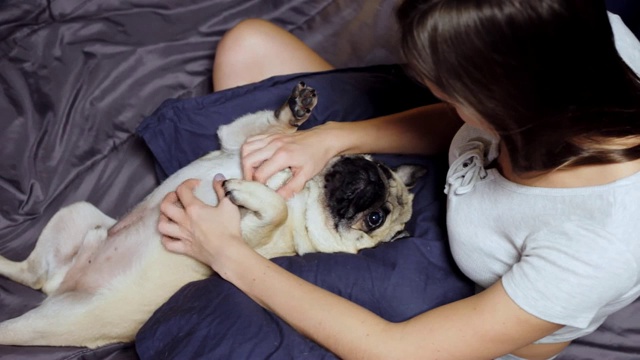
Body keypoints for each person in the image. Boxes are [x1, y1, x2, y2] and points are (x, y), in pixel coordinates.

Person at [156, 0, 640, 359]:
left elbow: (395, 350)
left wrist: (230, 256)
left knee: (211, 320)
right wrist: (332, 138)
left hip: (461, 298)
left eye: (441, 85)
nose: (428, 87)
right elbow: (466, 122)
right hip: (438, 180)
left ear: (499, 101)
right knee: (251, 47)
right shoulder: (594, 44)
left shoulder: (603, 241)